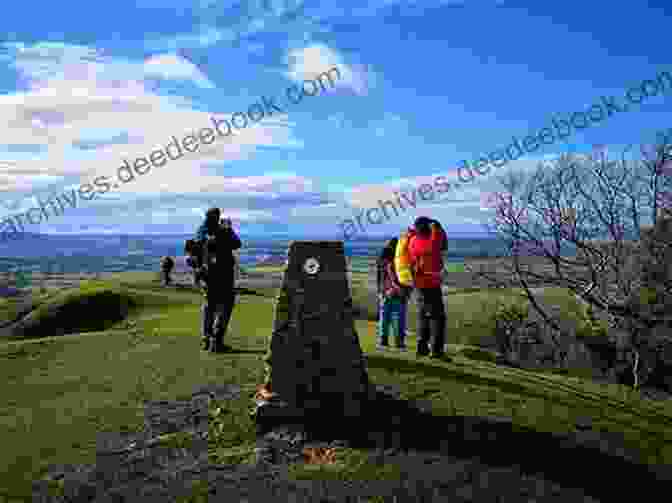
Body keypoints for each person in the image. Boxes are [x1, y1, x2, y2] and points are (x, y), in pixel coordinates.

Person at [193, 208, 242, 353]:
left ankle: (207, 339)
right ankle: (216, 341)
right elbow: (237, 244)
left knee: (209, 306)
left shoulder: (201, 231)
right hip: (224, 275)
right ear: (218, 217)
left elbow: (197, 249)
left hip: (208, 275)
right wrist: (229, 229)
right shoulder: (223, 230)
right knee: (225, 307)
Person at [407, 216, 449, 359]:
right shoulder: (431, 242)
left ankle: (422, 348)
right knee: (438, 318)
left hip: (418, 283)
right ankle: (436, 351)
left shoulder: (413, 242)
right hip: (431, 284)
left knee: (424, 316)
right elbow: (443, 244)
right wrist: (436, 226)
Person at [376, 237, 411, 351]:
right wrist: (404, 291)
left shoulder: (381, 258)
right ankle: (399, 343)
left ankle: (383, 341)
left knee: (384, 318)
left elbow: (379, 277)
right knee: (399, 319)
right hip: (397, 292)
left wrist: (381, 291)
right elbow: (403, 278)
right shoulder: (399, 260)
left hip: (385, 292)